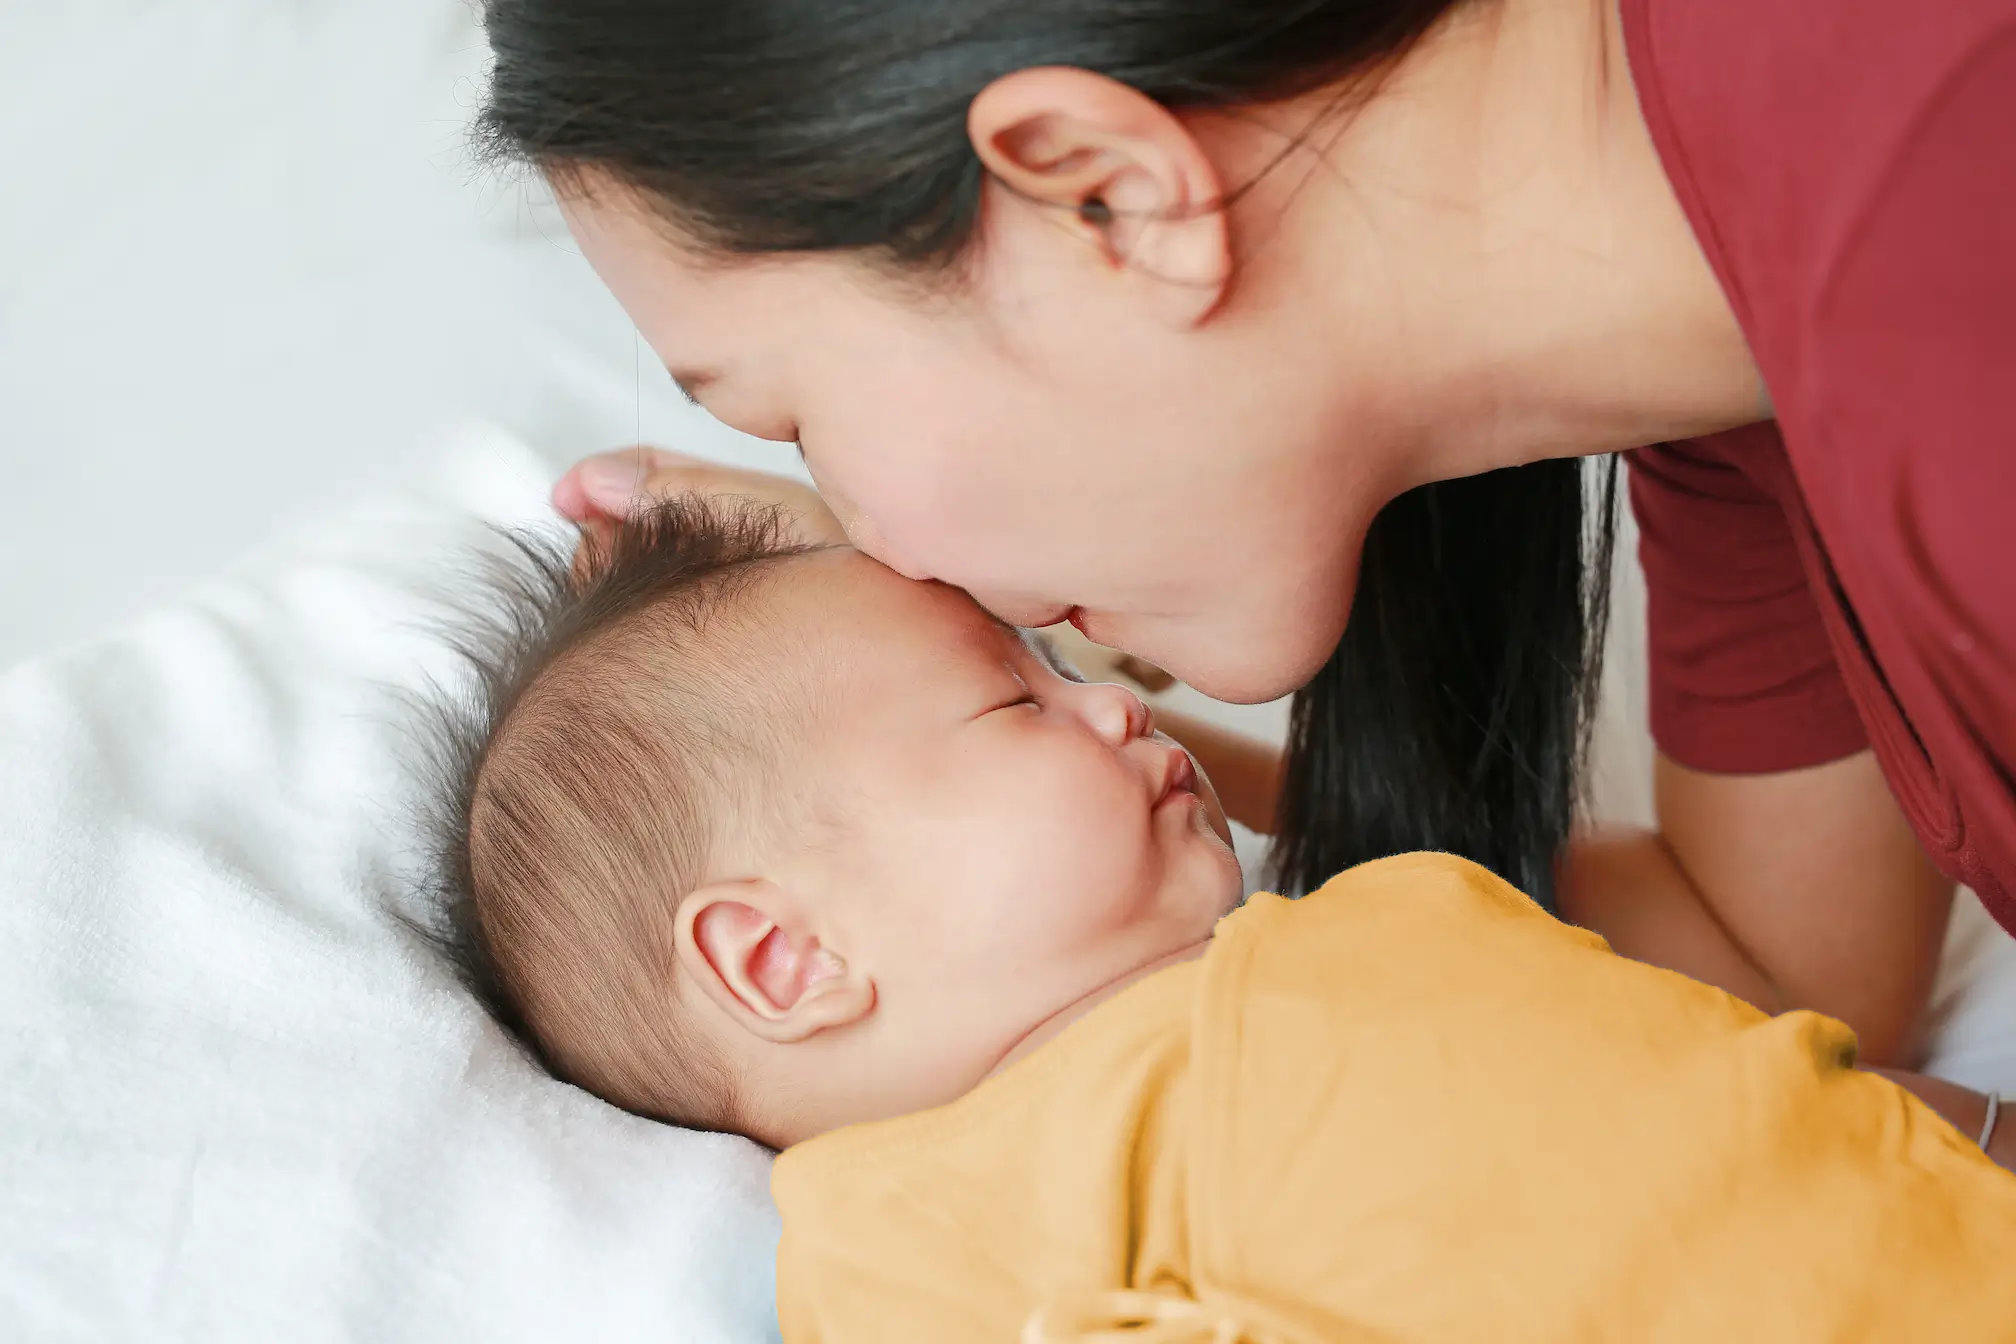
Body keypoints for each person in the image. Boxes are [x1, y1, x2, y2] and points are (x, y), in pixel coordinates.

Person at [476, 0, 2016, 1145]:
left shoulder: (1949, 218)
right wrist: (955, 739)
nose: (891, 554)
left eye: (794, 415)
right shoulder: (1730, 402)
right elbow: (1791, 971)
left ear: (1104, 195)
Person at [421, 498, 2016, 1342]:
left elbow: (1757, 1098)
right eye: (1014, 706)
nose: (1115, 712)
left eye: (1069, 672)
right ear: (787, 962)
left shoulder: (1385, 920)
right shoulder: (917, 1229)